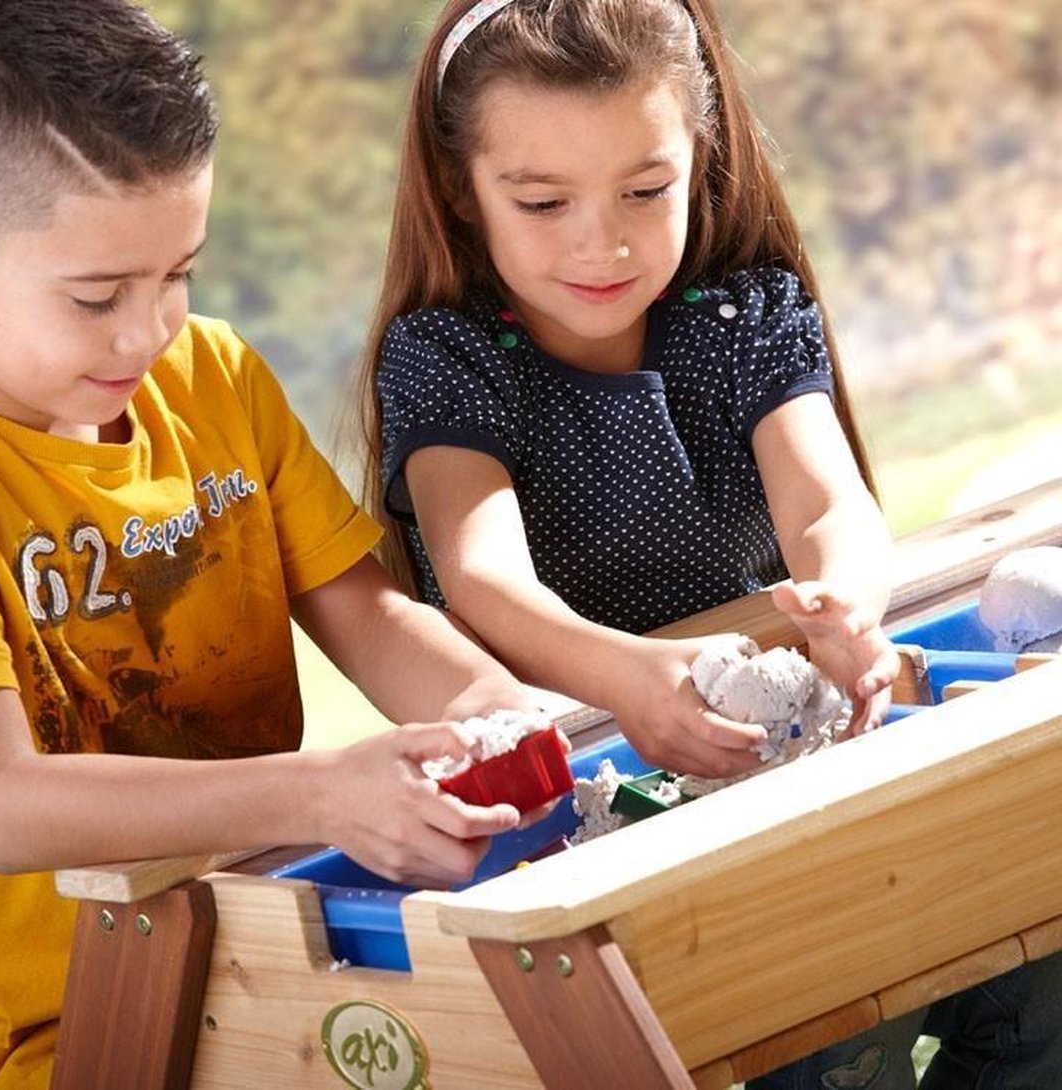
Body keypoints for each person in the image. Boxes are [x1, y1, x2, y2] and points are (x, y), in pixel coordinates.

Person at [357, 1, 1062, 1087]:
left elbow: (828, 505)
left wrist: (844, 600)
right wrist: (634, 679)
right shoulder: (448, 359)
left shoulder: (745, 318)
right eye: (543, 201)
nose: (605, 240)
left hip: (782, 750)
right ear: (462, 190)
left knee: (1029, 950)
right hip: (600, 794)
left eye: (647, 190)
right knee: (826, 1034)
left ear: (703, 158)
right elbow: (484, 577)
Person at [0, 1, 553, 1086]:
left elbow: (368, 613)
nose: (148, 332)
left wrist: (486, 708)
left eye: (177, 273)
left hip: (276, 974)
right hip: (51, 1041)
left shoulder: (217, 376)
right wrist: (323, 792)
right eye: (96, 297)